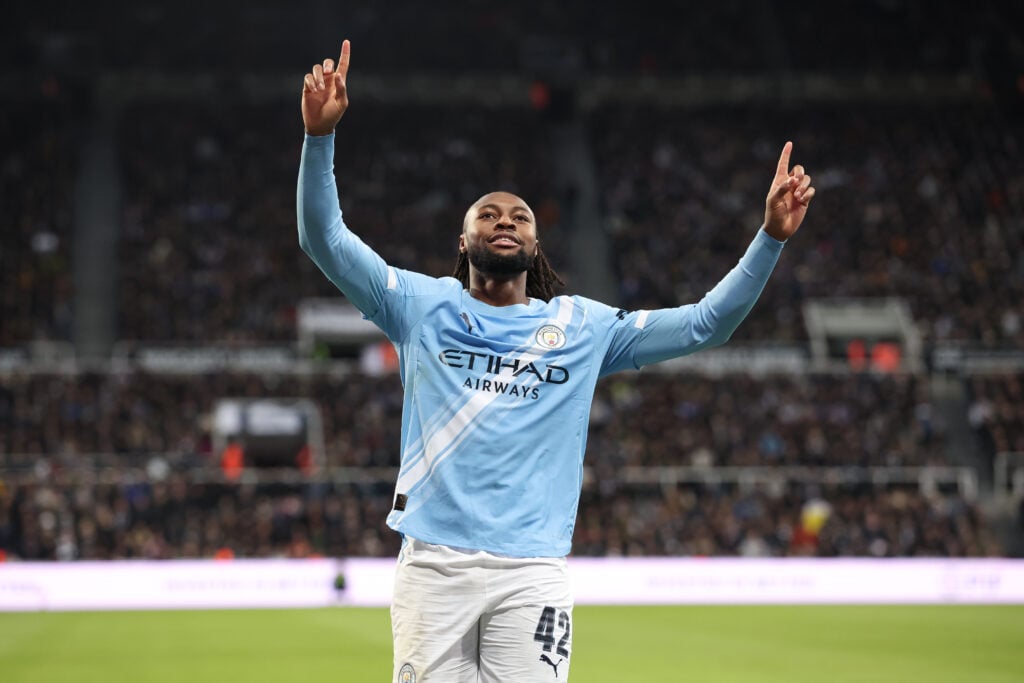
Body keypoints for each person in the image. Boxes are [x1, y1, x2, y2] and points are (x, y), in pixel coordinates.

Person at [298, 40, 815, 683]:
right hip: (434, 566)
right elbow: (324, 239)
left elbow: (706, 324)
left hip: (532, 571)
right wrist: (319, 138)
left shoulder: (582, 327)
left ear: (536, 242)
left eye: (519, 216)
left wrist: (769, 239)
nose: (504, 221)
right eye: (488, 215)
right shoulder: (419, 305)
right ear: (463, 240)